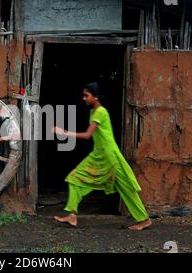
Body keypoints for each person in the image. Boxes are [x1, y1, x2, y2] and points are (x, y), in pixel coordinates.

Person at [52, 82, 152, 231]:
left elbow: (87, 135)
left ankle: (144, 220)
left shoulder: (100, 112)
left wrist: (63, 132)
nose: (84, 98)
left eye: (86, 95)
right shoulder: (93, 112)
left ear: (96, 97)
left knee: (125, 188)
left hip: (110, 157)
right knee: (74, 178)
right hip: (98, 155)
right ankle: (72, 215)